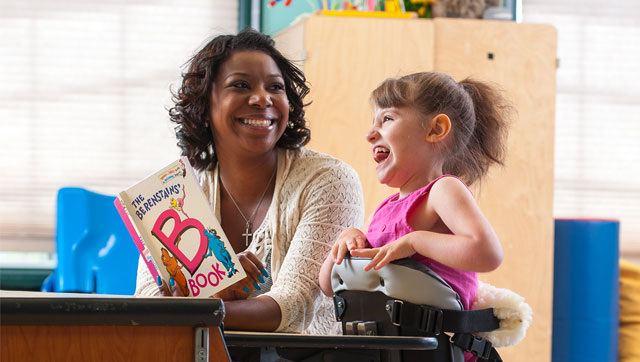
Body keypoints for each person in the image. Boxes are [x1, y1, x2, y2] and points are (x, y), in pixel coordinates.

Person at [135, 28, 365, 335]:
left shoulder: (328, 180)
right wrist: (219, 296)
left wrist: (202, 304)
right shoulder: (173, 193)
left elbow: (293, 307)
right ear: (205, 105)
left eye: (276, 87)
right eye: (240, 85)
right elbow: (149, 300)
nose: (262, 98)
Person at [319, 71, 509, 315]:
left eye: (387, 118)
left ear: (436, 129)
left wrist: (414, 241)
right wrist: (346, 240)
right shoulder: (383, 210)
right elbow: (327, 286)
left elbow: (488, 254)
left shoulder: (442, 190)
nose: (370, 134)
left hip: (437, 349)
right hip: (385, 348)